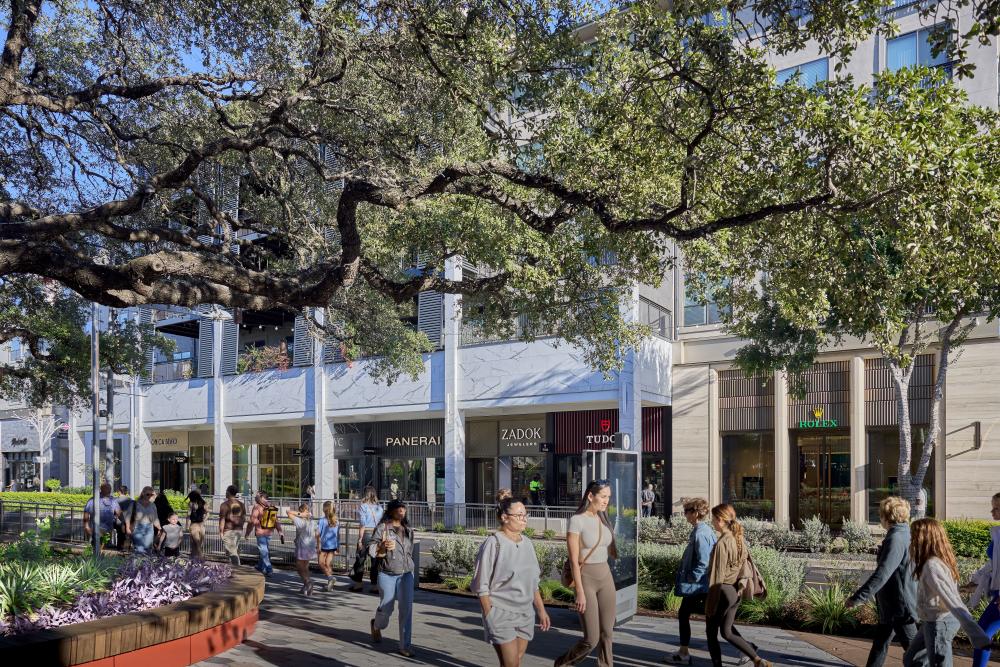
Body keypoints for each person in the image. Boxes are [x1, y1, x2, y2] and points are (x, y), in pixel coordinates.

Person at [472, 496, 551, 667]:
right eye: (519, 515)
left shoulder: (528, 543)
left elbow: (533, 583)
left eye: (525, 515)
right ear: (504, 517)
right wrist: (489, 615)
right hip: (501, 613)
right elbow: (481, 585)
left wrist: (541, 611)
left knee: (517, 661)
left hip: (525, 613)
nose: (524, 519)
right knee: (511, 664)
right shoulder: (493, 543)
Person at [904, 518, 990, 666]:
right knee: (912, 659)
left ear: (924, 539)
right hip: (933, 620)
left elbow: (953, 601)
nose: (911, 539)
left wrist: (977, 635)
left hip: (940, 623)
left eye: (914, 535)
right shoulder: (933, 562)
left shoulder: (932, 566)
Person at [845, 497, 918, 667]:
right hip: (893, 604)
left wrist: (858, 598)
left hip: (899, 605)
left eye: (881, 516)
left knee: (916, 651)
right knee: (881, 643)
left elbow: (882, 573)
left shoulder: (896, 539)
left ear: (887, 517)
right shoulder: (905, 533)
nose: (880, 520)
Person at [554, 480, 618, 667]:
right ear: (591, 496)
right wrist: (580, 592)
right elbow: (574, 560)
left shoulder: (603, 518)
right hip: (586, 578)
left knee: (607, 632)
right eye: (603, 496)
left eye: (609, 497)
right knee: (591, 639)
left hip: (605, 576)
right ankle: (563, 663)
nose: (607, 500)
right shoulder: (577, 520)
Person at [705, 504, 770, 667]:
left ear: (720, 520)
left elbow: (717, 577)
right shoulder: (738, 537)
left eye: (713, 519)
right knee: (726, 632)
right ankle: (757, 660)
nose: (712, 522)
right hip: (735, 592)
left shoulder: (722, 543)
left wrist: (710, 604)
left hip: (722, 592)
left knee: (711, 633)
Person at [667, 497, 717, 665]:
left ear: (695, 513)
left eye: (686, 511)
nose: (685, 515)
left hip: (698, 585)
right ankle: (683, 651)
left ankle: (684, 653)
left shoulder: (701, 533)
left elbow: (704, 562)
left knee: (686, 614)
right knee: (717, 620)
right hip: (701, 584)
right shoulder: (702, 530)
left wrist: (691, 578)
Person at [370, 499, 416, 658]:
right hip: (387, 573)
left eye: (404, 507)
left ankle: (405, 646)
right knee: (387, 608)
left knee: (406, 610)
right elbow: (371, 549)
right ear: (391, 511)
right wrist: (382, 546)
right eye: (398, 508)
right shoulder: (383, 528)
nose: (402, 510)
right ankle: (376, 625)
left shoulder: (408, 529)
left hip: (406, 574)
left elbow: (409, 551)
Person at [969, 491, 1000, 667]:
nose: (992, 512)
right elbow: (993, 564)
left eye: (996, 508)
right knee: (981, 633)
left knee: (981, 633)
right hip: (997, 595)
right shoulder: (998, 533)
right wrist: (974, 581)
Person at [351, 486, 385, 593]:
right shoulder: (380, 507)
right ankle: (374, 585)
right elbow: (382, 523)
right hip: (377, 535)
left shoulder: (363, 506)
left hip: (366, 534)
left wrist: (360, 539)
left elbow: (362, 524)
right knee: (375, 561)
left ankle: (358, 584)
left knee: (361, 559)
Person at [246, 490, 284, 576]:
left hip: (260, 533)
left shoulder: (257, 507)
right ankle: (260, 567)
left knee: (264, 552)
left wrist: (247, 533)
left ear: (262, 497)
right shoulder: (271, 506)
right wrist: (280, 532)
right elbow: (276, 521)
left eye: (257, 496)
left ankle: (269, 569)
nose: (255, 497)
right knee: (264, 551)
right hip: (269, 533)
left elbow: (252, 521)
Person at [287, 503, 319, 596]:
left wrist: (301, 515)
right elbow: (317, 533)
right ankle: (306, 585)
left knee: (299, 567)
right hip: (311, 545)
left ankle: (308, 582)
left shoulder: (300, 521)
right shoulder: (312, 521)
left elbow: (288, 512)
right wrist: (318, 545)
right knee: (305, 566)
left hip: (303, 546)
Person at [83, 482, 121, 549]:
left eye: (110, 489)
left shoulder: (113, 500)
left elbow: (118, 513)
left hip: (108, 529)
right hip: (95, 529)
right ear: (101, 489)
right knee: (96, 548)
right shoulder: (93, 500)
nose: (109, 490)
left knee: (105, 548)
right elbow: (86, 513)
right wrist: (86, 526)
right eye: (108, 489)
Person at [128, 486, 161, 554]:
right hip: (137, 527)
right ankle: (137, 564)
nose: (149, 496)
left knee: (148, 549)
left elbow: (155, 518)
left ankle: (146, 564)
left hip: (149, 528)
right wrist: (127, 528)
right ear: (143, 493)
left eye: (151, 494)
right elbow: (128, 517)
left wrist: (160, 528)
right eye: (147, 494)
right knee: (139, 549)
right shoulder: (135, 504)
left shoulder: (153, 505)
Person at [219, 484, 246, 565]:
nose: (225, 493)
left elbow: (222, 519)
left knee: (233, 553)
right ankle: (231, 570)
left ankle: (238, 569)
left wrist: (221, 532)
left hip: (228, 530)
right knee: (232, 551)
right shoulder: (241, 504)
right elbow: (244, 518)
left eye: (226, 491)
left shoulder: (224, 505)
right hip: (238, 530)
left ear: (228, 492)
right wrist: (241, 527)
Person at [318, 501, 340, 591]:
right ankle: (330, 584)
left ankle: (330, 577)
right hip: (333, 545)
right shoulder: (336, 520)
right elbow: (338, 535)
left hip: (324, 545)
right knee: (328, 564)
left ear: (324, 509)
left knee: (321, 563)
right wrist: (338, 546)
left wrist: (317, 545)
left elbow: (317, 534)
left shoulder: (322, 520)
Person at [186, 489, 207, 560]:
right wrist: (204, 521)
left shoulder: (191, 503)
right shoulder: (204, 503)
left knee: (195, 545)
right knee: (199, 544)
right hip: (201, 526)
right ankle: (195, 561)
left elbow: (188, 515)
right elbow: (208, 513)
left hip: (194, 525)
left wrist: (187, 526)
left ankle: (200, 560)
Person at [115, 485, 136, 552]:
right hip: (130, 520)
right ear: (126, 492)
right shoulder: (132, 501)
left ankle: (120, 547)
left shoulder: (116, 500)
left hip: (119, 520)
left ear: (119, 491)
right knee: (128, 534)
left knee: (120, 533)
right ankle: (127, 547)